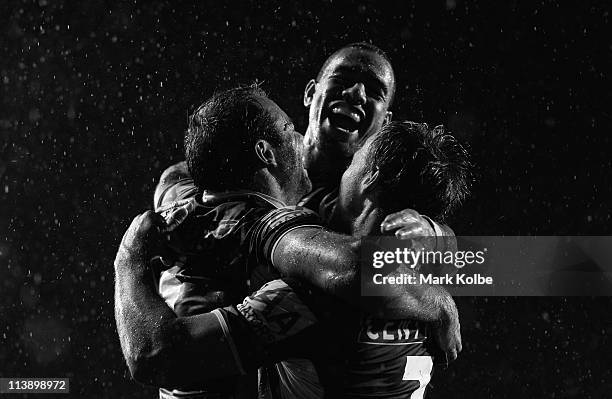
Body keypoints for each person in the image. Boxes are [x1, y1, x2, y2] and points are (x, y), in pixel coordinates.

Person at [115, 86, 460, 397]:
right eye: (289, 131)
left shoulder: (310, 292)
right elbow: (505, 264)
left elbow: (155, 356)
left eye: (354, 159)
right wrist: (439, 283)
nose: (301, 141)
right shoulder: (440, 262)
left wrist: (129, 258)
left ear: (368, 178)